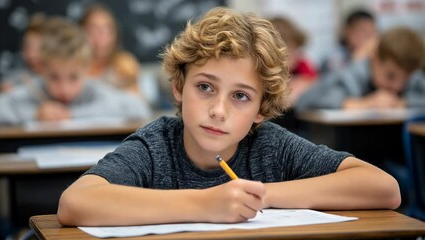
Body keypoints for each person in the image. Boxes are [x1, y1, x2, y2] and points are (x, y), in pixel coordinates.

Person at [57, 7, 400, 227]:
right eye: (205, 87)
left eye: (240, 96)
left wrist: (261, 196)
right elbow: (76, 202)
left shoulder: (270, 146)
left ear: (261, 110)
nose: (218, 110)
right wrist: (205, 203)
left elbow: (384, 189)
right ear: (178, 86)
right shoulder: (155, 145)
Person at [0, 17, 151, 125]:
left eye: (73, 77)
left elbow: (138, 108)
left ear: (86, 69)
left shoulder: (92, 88)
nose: (64, 88)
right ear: (43, 69)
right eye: (54, 77)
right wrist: (34, 114)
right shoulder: (34, 88)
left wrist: (71, 115)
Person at [296, 26, 425, 111]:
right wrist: (363, 104)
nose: (398, 86)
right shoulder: (351, 74)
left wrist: (405, 103)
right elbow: (306, 101)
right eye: (390, 76)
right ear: (374, 58)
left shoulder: (414, 79)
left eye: (406, 79)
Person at [79, 4, 141, 95]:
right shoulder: (71, 66)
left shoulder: (124, 65)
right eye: (93, 30)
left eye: (107, 30)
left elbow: (136, 102)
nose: (101, 37)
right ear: (80, 32)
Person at [269, 17, 318, 106]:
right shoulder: (264, 70)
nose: (295, 56)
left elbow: (316, 83)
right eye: (288, 53)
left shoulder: (301, 64)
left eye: (296, 49)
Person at [0, 13, 47, 92]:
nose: (31, 54)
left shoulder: (60, 77)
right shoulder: (16, 77)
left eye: (37, 48)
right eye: (27, 47)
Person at [320, 9, 378, 74]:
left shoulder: (373, 56)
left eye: (372, 31)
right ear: (347, 31)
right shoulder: (334, 57)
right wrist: (358, 58)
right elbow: (336, 81)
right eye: (362, 31)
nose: (368, 36)